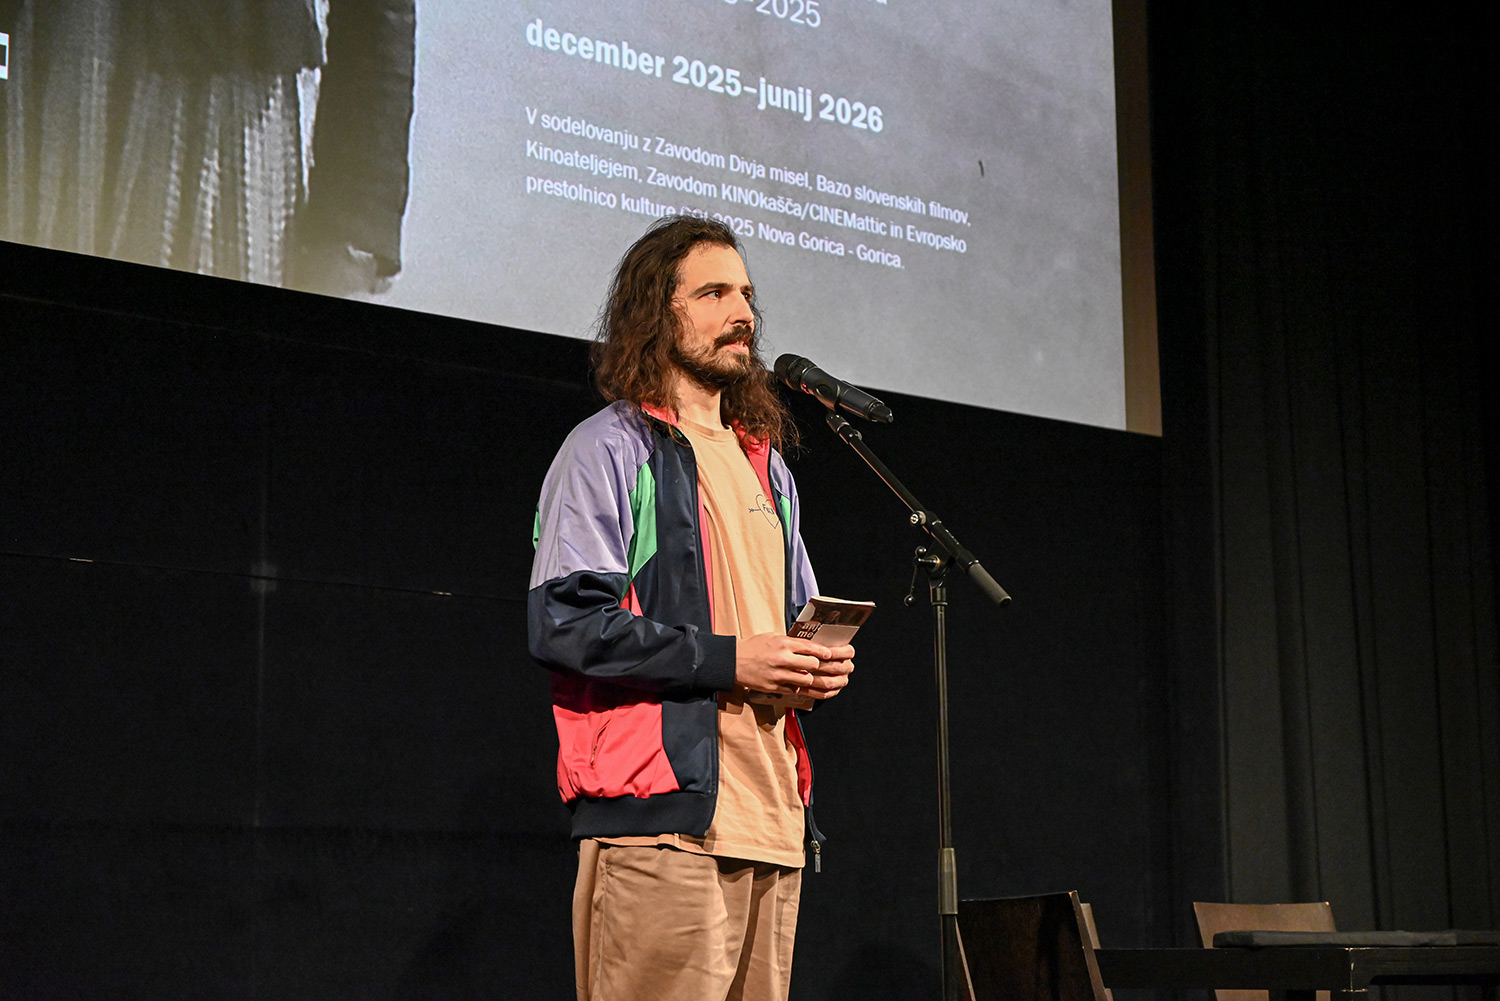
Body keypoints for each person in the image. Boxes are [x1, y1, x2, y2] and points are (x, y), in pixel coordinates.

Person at [528, 214, 856, 1001]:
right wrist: (733, 659)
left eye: (745, 293)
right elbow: (567, 623)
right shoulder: (610, 448)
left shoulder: (767, 466)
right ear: (657, 311)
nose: (742, 312)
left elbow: (787, 621)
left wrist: (813, 663)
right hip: (663, 824)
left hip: (773, 824)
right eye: (713, 293)